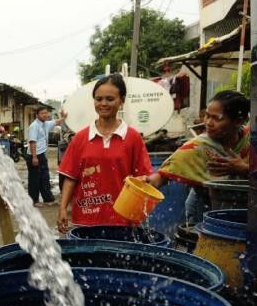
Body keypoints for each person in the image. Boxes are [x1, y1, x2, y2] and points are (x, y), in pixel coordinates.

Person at [57, 74, 152, 233]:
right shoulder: (81, 138)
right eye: (98, 99)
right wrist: (62, 209)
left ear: (122, 100)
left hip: (122, 221)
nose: (103, 104)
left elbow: (143, 179)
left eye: (110, 99)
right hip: (86, 220)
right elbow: (70, 178)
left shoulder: (132, 137)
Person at [144, 90, 250, 224]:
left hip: (245, 213)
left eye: (216, 118)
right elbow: (165, 174)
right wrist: (148, 182)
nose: (208, 123)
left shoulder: (251, 142)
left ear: (237, 121)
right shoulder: (198, 146)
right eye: (207, 116)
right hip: (203, 212)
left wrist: (244, 169)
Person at [27, 106, 66, 207]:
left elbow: (57, 122)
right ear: (37, 115)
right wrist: (34, 157)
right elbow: (32, 142)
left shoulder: (46, 124)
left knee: (44, 177)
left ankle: (48, 199)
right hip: (34, 155)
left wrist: (64, 116)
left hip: (42, 154)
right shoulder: (34, 126)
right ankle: (34, 201)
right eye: (42, 113)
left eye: (46, 113)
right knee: (34, 179)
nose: (45, 115)